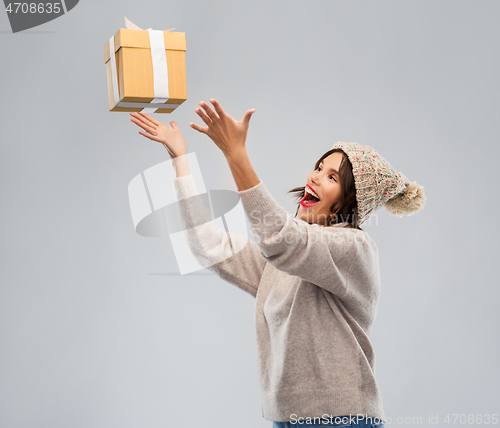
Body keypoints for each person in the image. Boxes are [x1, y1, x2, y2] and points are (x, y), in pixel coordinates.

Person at [129, 99, 426, 428]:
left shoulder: (354, 248)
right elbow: (209, 247)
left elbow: (280, 239)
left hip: (343, 419)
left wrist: (236, 154)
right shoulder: (286, 260)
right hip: (285, 419)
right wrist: (180, 160)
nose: (314, 177)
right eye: (319, 167)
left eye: (332, 177)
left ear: (352, 203)